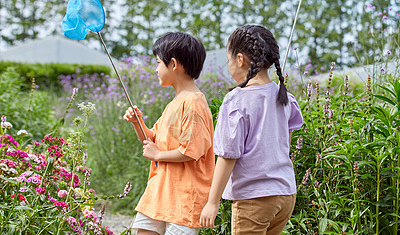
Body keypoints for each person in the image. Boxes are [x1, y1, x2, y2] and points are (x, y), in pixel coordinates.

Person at [200, 25, 303, 235]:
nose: (228, 66)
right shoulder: (284, 97)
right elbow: (285, 145)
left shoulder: (236, 100)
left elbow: (228, 156)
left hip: (254, 199)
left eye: (228, 60)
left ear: (240, 60)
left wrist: (212, 201)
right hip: (285, 196)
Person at [123, 32, 215, 235]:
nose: (156, 69)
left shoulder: (192, 103)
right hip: (159, 193)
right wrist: (137, 122)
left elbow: (191, 151)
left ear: (173, 64)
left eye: (158, 63)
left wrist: (158, 155)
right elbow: (151, 141)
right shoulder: (175, 103)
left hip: (184, 198)